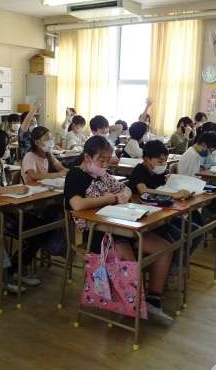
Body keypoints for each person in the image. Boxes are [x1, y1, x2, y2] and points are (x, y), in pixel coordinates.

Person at [64, 136, 174, 324]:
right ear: (87, 157)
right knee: (128, 261)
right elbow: (78, 204)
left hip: (121, 225)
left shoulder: (103, 175)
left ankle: (153, 300)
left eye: (108, 160)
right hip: (98, 233)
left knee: (164, 249)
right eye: (101, 160)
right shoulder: (75, 175)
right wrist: (111, 198)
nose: (105, 164)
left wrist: (123, 194)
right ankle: (132, 305)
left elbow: (126, 189)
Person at [0, 128, 44, 291]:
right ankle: (7, 277)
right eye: (5, 145)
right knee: (4, 235)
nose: (7, 148)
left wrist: (13, 190)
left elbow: (2, 187)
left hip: (3, 209)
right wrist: (12, 190)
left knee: (39, 228)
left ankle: (17, 269)